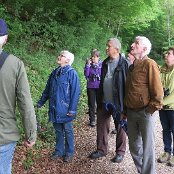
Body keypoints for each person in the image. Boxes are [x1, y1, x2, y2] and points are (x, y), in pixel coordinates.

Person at [0, 19, 37, 174]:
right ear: (6, 38)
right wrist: (31, 134)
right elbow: (25, 102)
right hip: (4, 135)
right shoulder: (15, 64)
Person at [124, 36, 163, 174]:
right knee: (134, 147)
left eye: (136, 43)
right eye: (134, 42)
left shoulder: (150, 64)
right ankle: (143, 171)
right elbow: (128, 90)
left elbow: (158, 92)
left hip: (145, 112)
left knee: (148, 148)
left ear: (144, 49)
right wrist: (125, 111)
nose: (132, 45)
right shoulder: (132, 66)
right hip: (131, 112)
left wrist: (149, 109)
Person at [89, 38, 129, 163]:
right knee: (101, 126)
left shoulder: (125, 64)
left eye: (109, 46)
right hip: (104, 102)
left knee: (121, 127)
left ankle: (120, 152)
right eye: (106, 45)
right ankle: (101, 149)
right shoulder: (105, 63)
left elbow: (128, 85)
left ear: (116, 49)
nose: (106, 48)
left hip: (119, 103)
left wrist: (126, 105)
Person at [37, 50, 80, 163]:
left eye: (62, 56)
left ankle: (69, 153)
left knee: (67, 130)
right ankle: (59, 151)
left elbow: (75, 92)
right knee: (58, 131)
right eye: (60, 55)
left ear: (68, 60)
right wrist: (41, 102)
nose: (59, 56)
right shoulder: (54, 72)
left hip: (65, 109)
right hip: (54, 108)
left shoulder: (72, 73)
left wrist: (72, 109)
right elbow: (47, 89)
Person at [157, 47, 174, 167]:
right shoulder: (161, 69)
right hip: (163, 108)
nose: (166, 55)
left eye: (169, 53)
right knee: (166, 130)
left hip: (172, 107)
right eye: (166, 53)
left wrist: (161, 102)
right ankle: (167, 152)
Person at [84, 49, 102, 127]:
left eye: (95, 57)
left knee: (100, 104)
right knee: (91, 104)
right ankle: (92, 120)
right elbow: (86, 75)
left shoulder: (102, 65)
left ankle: (100, 119)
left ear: (98, 57)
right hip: (91, 86)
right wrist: (88, 65)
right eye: (92, 57)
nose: (93, 59)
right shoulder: (89, 65)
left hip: (99, 86)